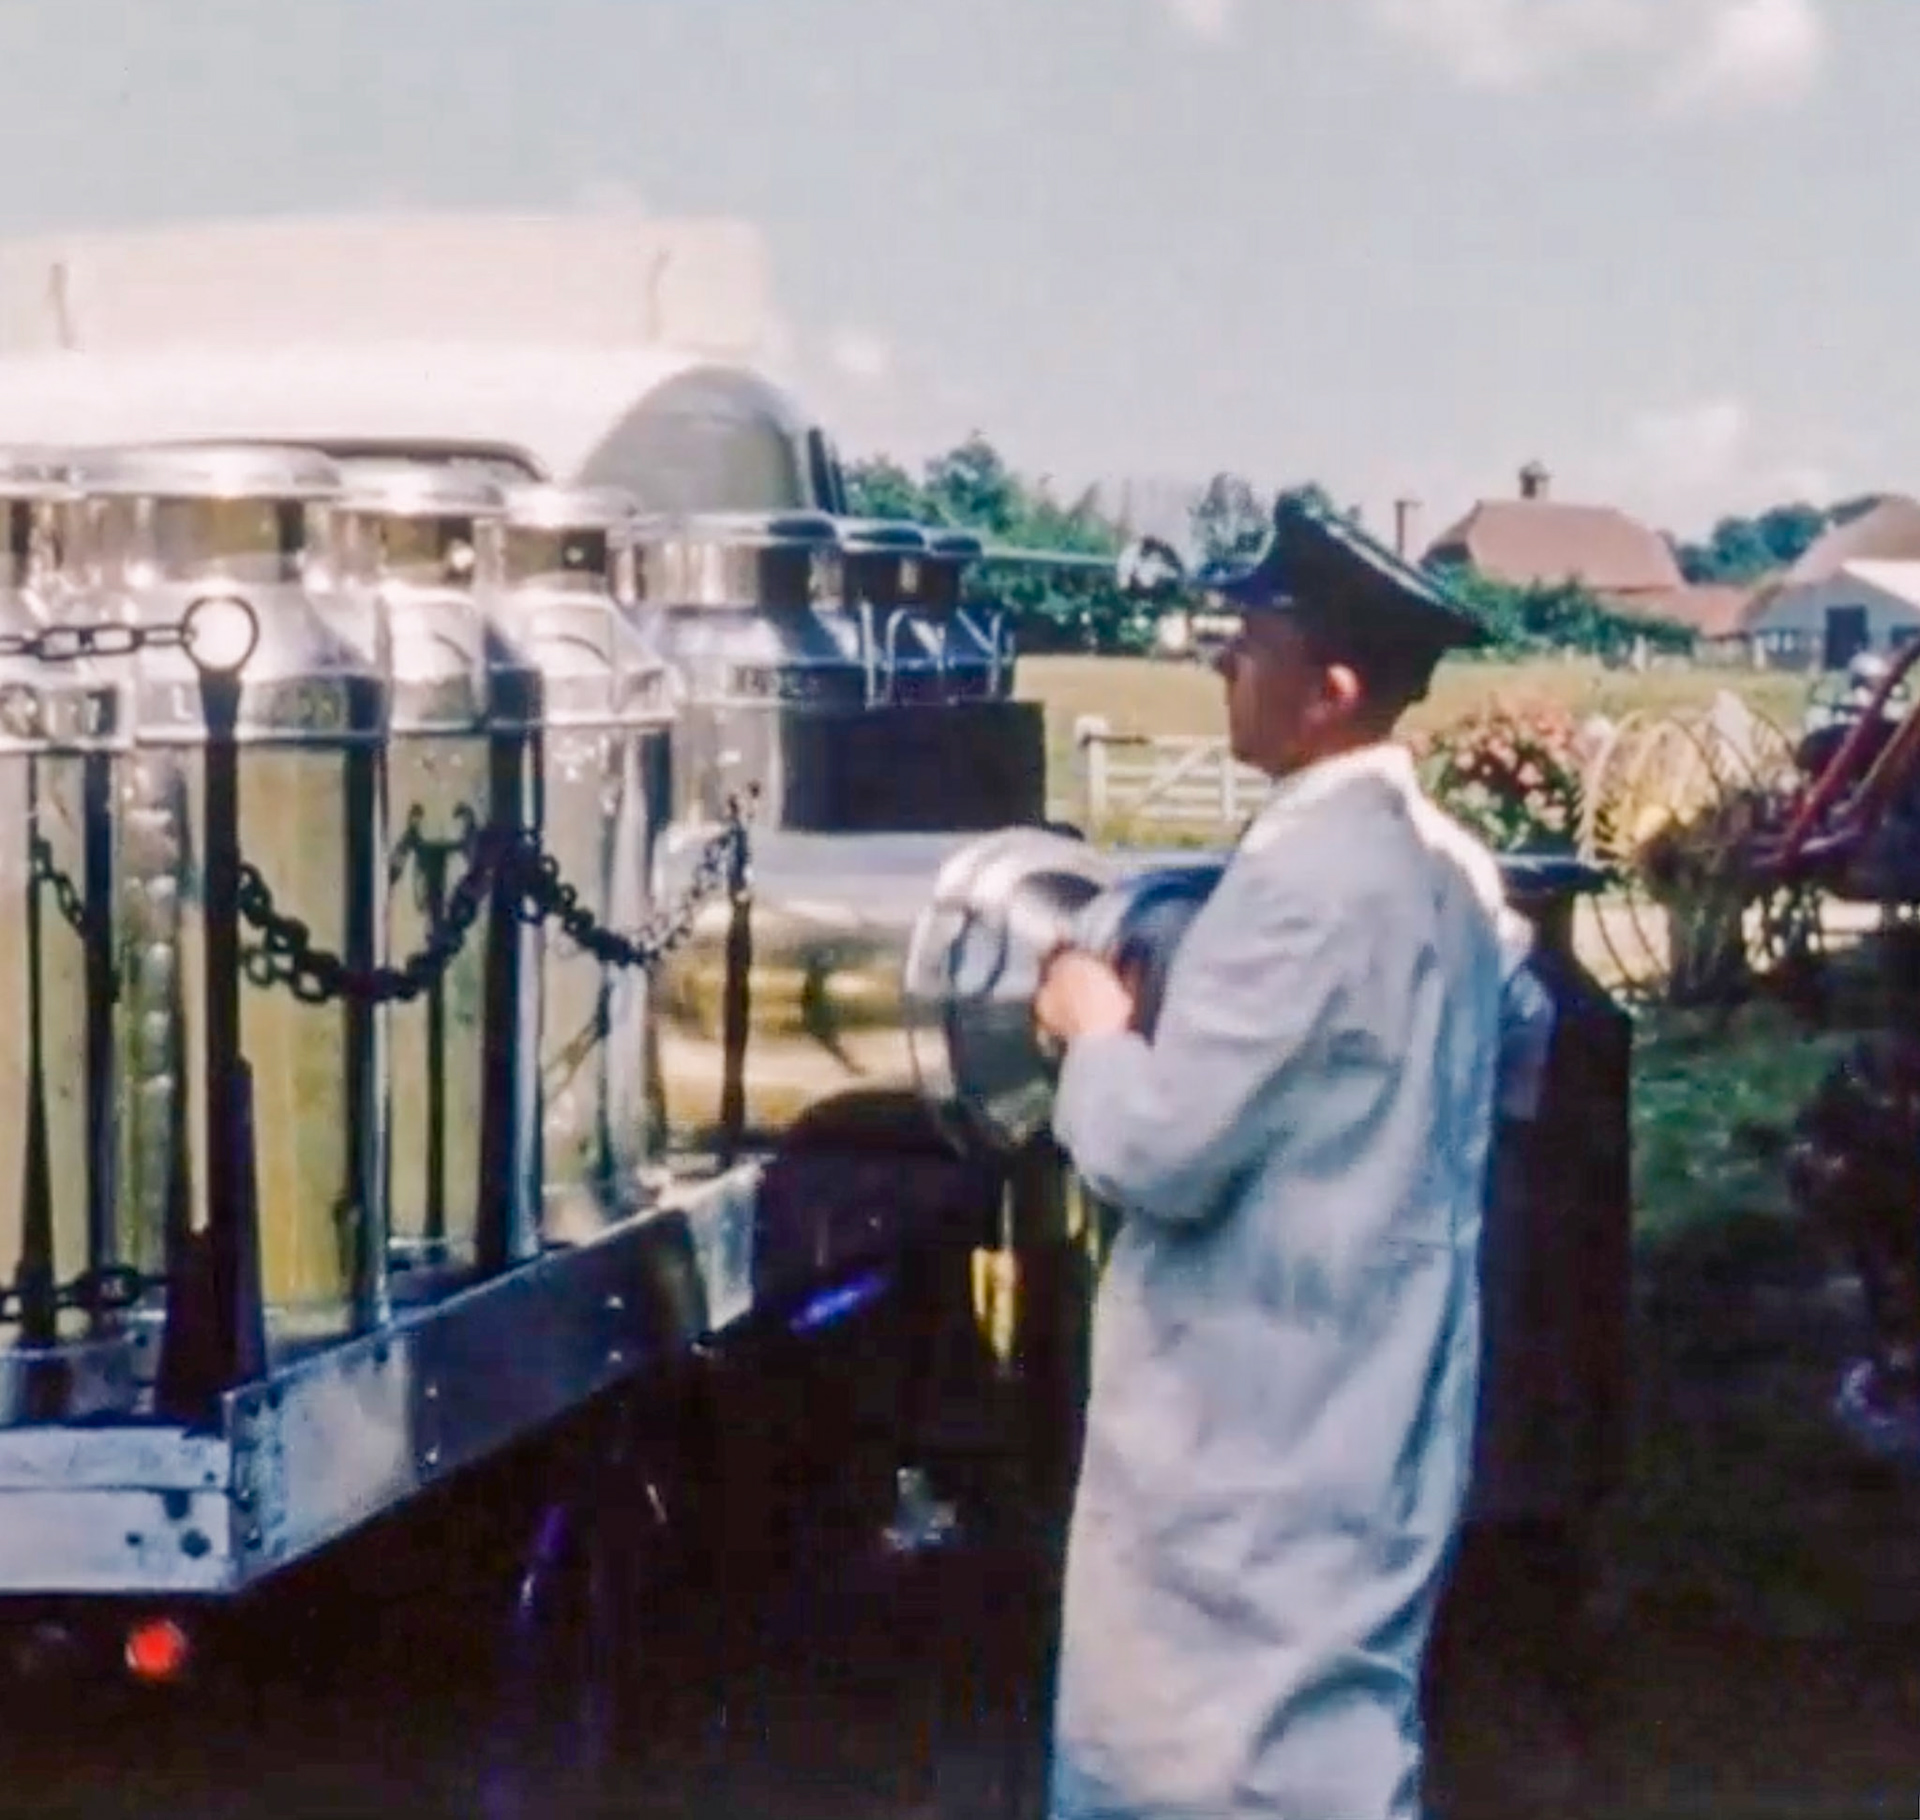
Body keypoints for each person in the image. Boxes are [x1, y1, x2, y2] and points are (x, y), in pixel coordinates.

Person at [1033, 497, 1519, 1820]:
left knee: (1198, 1755)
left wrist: (1095, 1029)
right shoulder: (1450, 870)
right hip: (1373, 1369)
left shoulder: (1307, 877)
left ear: (1331, 690)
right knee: (1340, 1722)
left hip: (1255, 1413)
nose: (1220, 669)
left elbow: (1157, 1148)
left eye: (1245, 647)